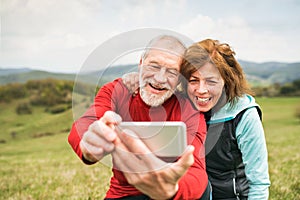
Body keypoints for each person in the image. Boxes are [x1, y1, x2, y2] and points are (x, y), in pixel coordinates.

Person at [123, 39, 270, 199]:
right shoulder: (181, 107)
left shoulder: (244, 116)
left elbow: (258, 183)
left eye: (211, 81)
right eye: (193, 81)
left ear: (226, 81)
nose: (201, 90)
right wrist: (135, 79)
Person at [68, 35, 211, 199]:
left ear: (179, 78)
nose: (159, 79)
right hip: (125, 194)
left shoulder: (188, 109)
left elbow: (197, 172)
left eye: (172, 72)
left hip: (173, 192)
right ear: (141, 63)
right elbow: (86, 124)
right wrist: (89, 144)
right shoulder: (117, 91)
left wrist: (171, 188)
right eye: (154, 66)